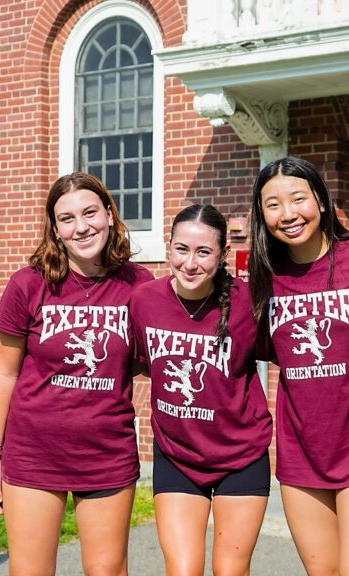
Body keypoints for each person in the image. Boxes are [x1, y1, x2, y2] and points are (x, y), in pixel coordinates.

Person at [0, 172, 154, 576]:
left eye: (90, 213)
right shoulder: (29, 285)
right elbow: (6, 374)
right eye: (67, 219)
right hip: (34, 452)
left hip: (106, 452)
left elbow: (146, 360)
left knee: (107, 570)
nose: (81, 227)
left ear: (110, 215)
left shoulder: (140, 286)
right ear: (55, 230)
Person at [247, 157, 349, 575]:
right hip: (301, 453)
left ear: (323, 202)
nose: (288, 214)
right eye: (273, 204)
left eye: (299, 199)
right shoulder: (264, 275)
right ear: (261, 214)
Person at [130, 204, 273, 576]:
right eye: (181, 249)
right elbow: (139, 362)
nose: (190, 263)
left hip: (241, 455)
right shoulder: (145, 301)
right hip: (178, 456)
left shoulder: (249, 302)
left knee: (230, 570)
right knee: (183, 569)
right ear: (169, 246)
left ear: (223, 254)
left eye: (203, 252)